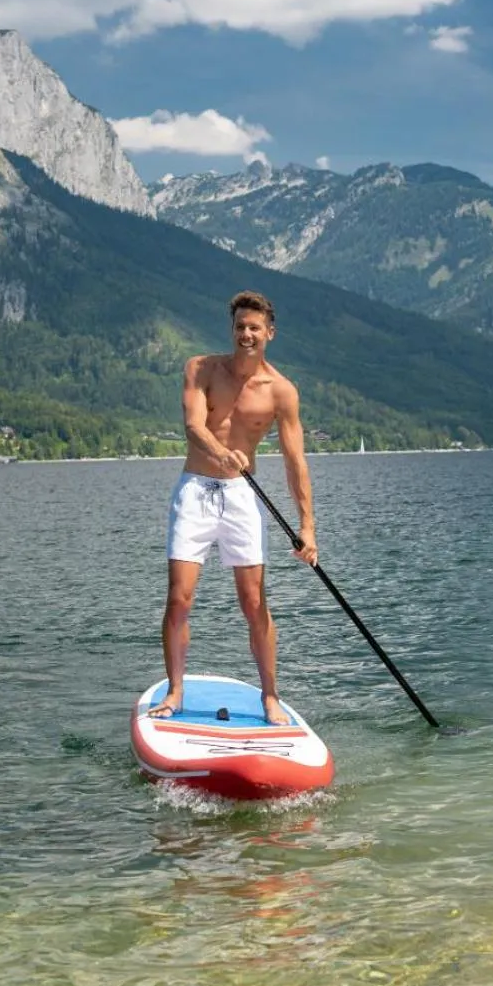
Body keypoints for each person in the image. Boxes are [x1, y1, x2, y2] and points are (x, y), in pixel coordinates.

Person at [149, 290, 318, 725]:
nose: (246, 334)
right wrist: (219, 452)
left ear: (270, 333)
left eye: (254, 327)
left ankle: (270, 697)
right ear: (233, 329)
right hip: (195, 490)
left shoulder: (281, 392)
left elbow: (295, 461)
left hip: (243, 494)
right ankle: (175, 692)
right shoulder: (201, 369)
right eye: (240, 326)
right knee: (179, 598)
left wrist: (307, 528)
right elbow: (192, 426)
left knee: (254, 601)